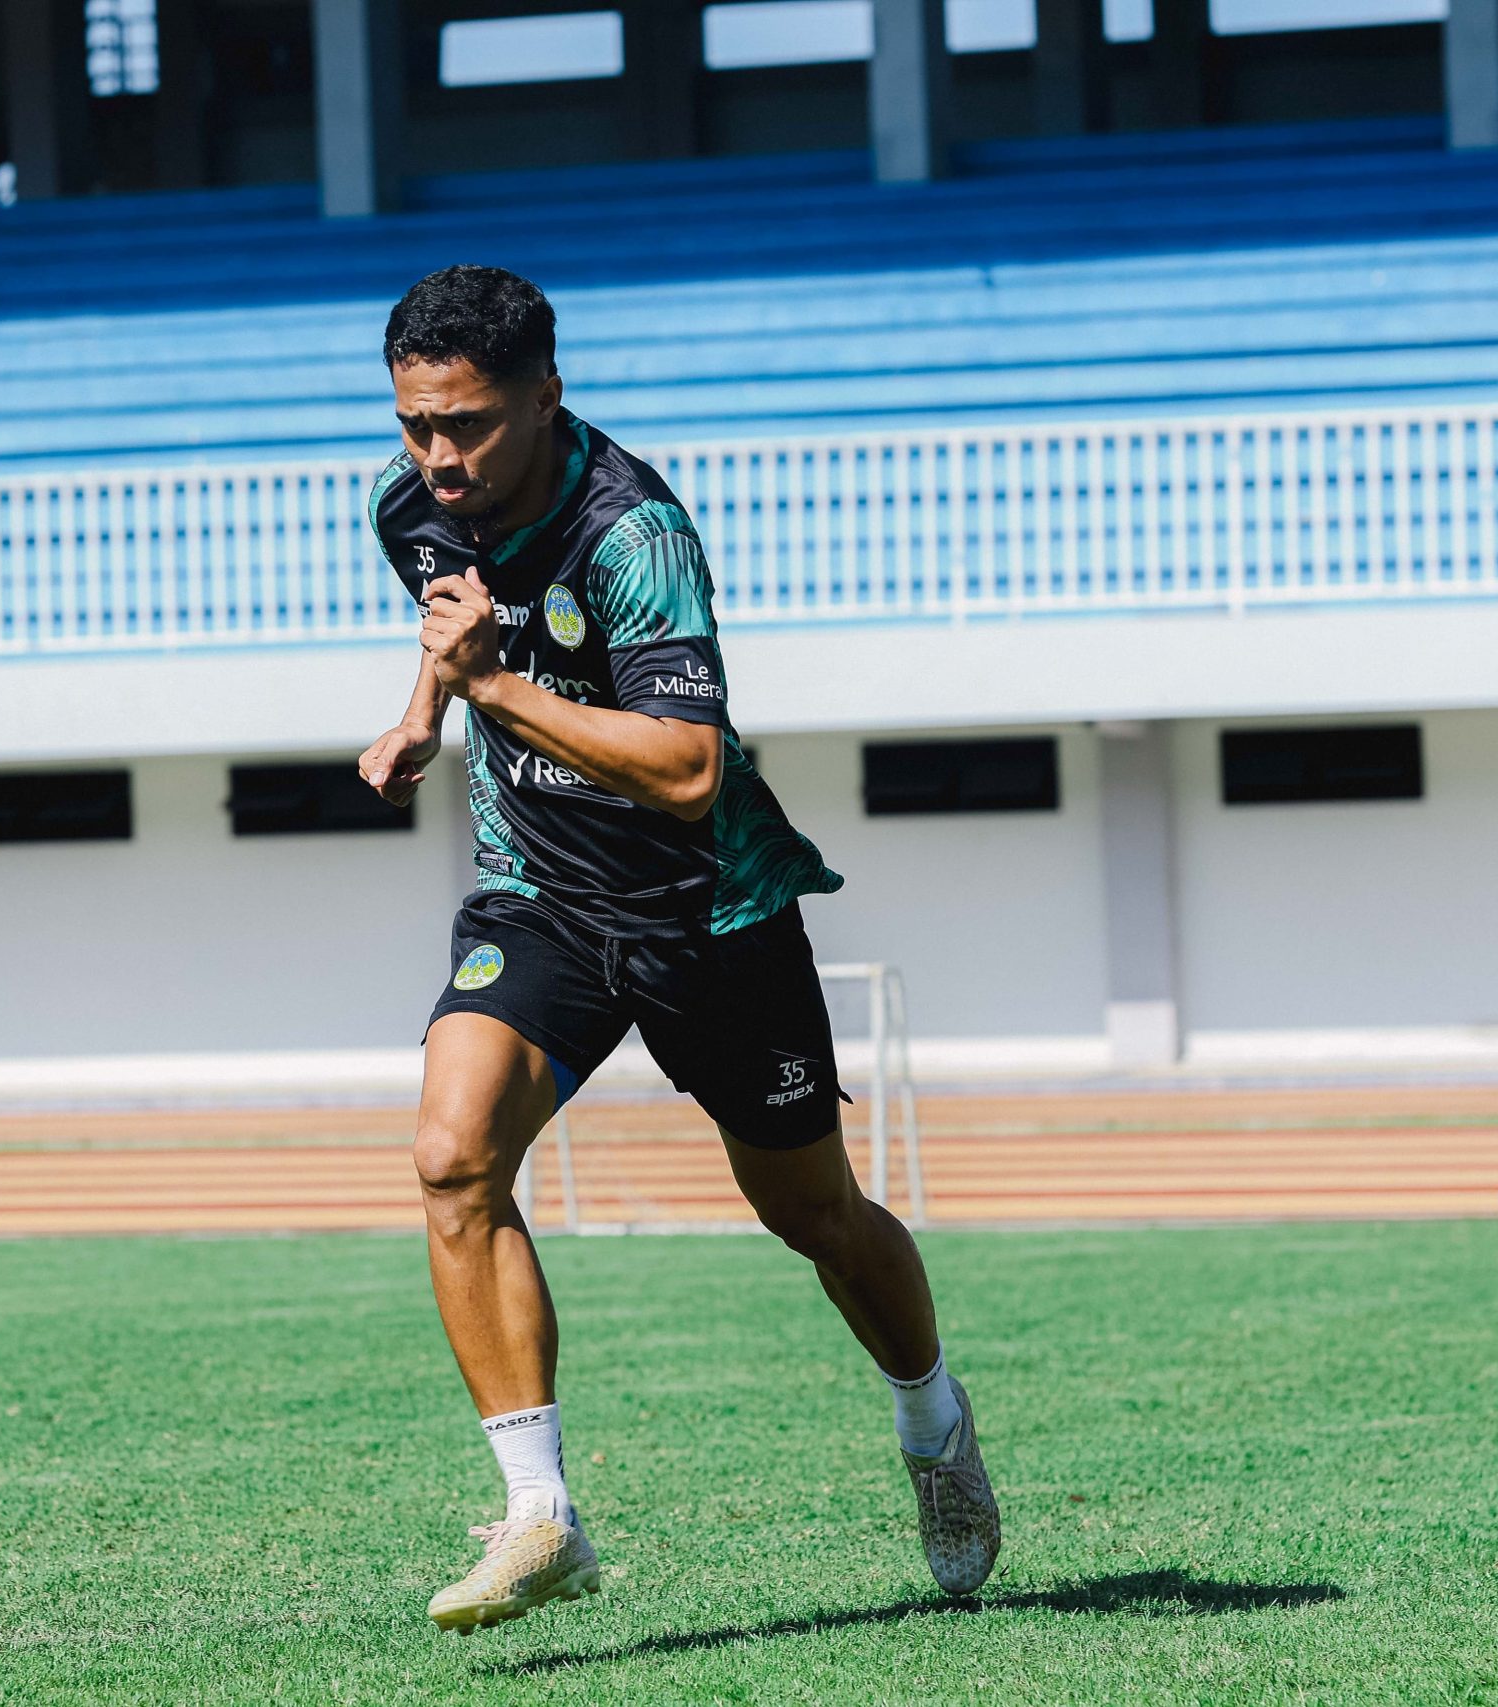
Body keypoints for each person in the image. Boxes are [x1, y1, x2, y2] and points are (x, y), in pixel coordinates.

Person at [356, 265, 1001, 1634]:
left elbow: (691, 769)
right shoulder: (412, 505)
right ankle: (541, 1515)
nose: (438, 457)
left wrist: (486, 689)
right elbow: (456, 615)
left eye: (466, 424)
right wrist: (423, 709)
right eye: (416, 423)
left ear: (547, 397)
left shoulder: (632, 532)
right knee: (450, 1153)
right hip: (541, 895)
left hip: (711, 912)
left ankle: (934, 1427)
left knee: (814, 1216)